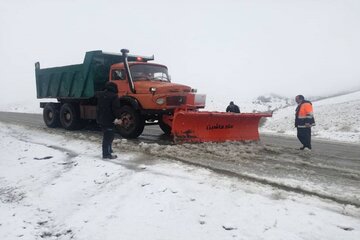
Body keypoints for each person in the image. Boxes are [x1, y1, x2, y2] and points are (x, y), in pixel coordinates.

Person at [96, 82, 120, 159]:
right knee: (109, 137)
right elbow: (115, 108)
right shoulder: (114, 96)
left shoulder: (101, 95)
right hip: (110, 119)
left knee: (107, 135)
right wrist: (118, 117)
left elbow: (98, 108)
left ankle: (109, 150)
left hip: (102, 118)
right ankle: (106, 154)